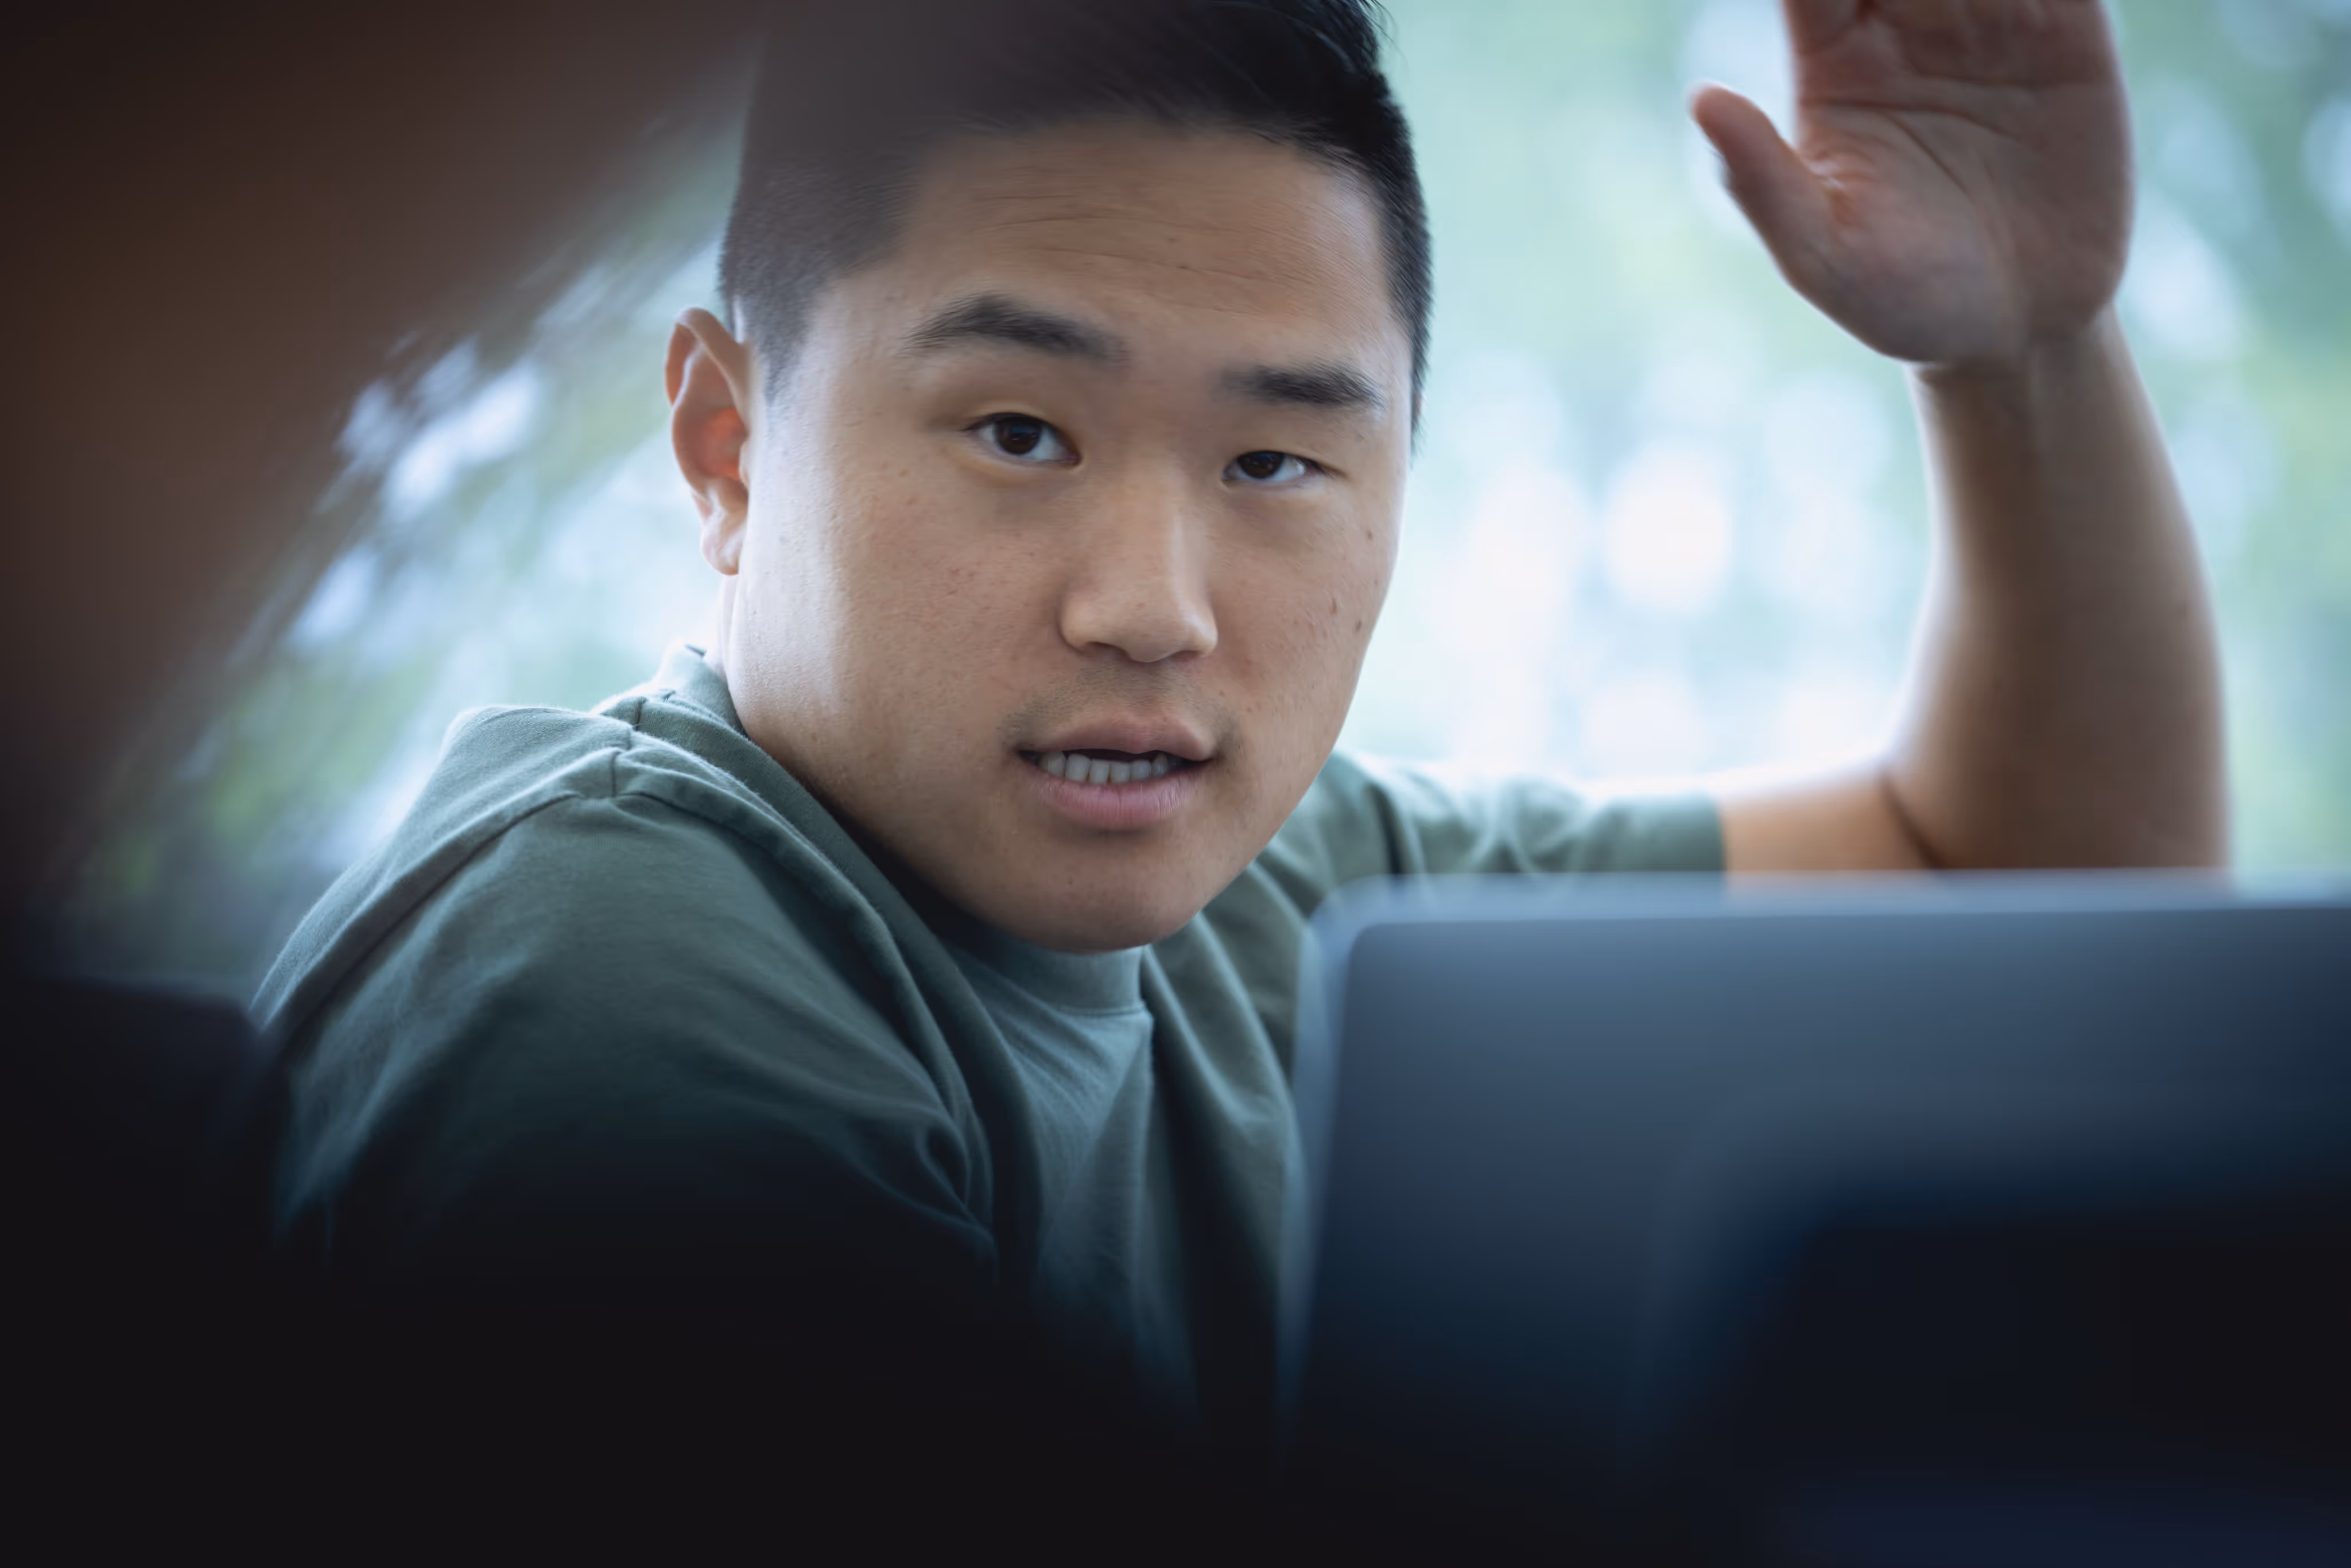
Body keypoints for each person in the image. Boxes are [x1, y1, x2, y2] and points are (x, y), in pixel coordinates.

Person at [257, 0, 2225, 1471]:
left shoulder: (1293, 888)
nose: (1156, 603)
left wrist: (2023, 350)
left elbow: (2035, 917)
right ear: (725, 446)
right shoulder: (596, 960)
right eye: (1020, 430)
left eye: (1278, 457)